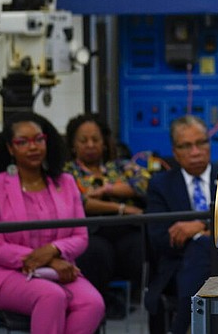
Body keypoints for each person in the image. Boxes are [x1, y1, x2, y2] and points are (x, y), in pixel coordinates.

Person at [0, 112, 105, 334]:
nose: (33, 147)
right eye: (23, 142)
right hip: (6, 273)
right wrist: (47, 262)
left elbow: (81, 236)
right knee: (51, 296)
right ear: (10, 149)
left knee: (93, 304)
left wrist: (53, 250)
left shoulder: (67, 182)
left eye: (38, 139)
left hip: (59, 271)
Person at [146, 115, 218, 334]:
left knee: (204, 246)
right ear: (175, 151)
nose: (195, 151)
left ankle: (180, 328)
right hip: (178, 266)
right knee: (201, 249)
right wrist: (206, 235)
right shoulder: (161, 185)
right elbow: (158, 237)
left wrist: (200, 227)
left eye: (201, 143)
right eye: (186, 146)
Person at [64, 112, 150, 318]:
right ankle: (98, 309)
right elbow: (79, 201)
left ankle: (141, 304)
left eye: (95, 139)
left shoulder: (120, 166)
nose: (90, 144)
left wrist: (107, 189)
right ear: (73, 145)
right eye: (83, 140)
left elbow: (145, 183)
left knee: (142, 246)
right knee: (97, 252)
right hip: (92, 232)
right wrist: (121, 209)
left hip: (126, 231)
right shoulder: (67, 172)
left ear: (104, 143)